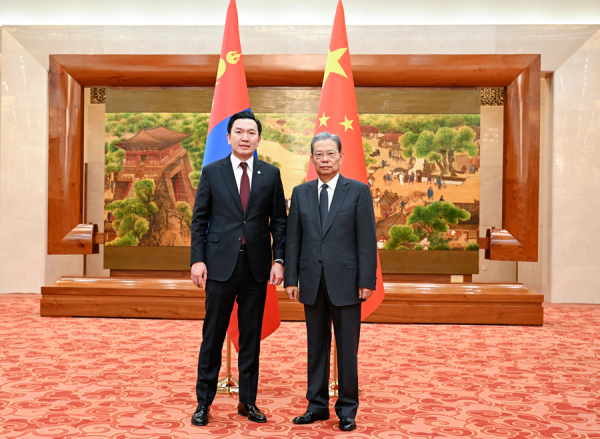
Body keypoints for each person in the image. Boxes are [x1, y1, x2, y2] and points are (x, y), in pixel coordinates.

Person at [190, 111, 287, 427]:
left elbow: (279, 221)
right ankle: (203, 403)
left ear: (259, 139)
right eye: (239, 132)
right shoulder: (212, 172)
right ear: (228, 137)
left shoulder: (270, 174)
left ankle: (248, 401)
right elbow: (200, 219)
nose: (245, 137)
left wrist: (279, 260)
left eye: (251, 132)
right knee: (213, 337)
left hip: (256, 267)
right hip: (219, 265)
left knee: (250, 339)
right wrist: (197, 259)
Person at [284, 132, 377, 432]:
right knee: (316, 346)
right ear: (312, 158)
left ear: (340, 156)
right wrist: (291, 278)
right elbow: (293, 240)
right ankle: (316, 406)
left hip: (348, 282)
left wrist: (367, 279)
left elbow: (366, 239)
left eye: (330, 154)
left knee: (347, 348)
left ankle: (347, 409)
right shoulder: (301, 193)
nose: (325, 159)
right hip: (311, 281)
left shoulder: (358, 191)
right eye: (319, 154)